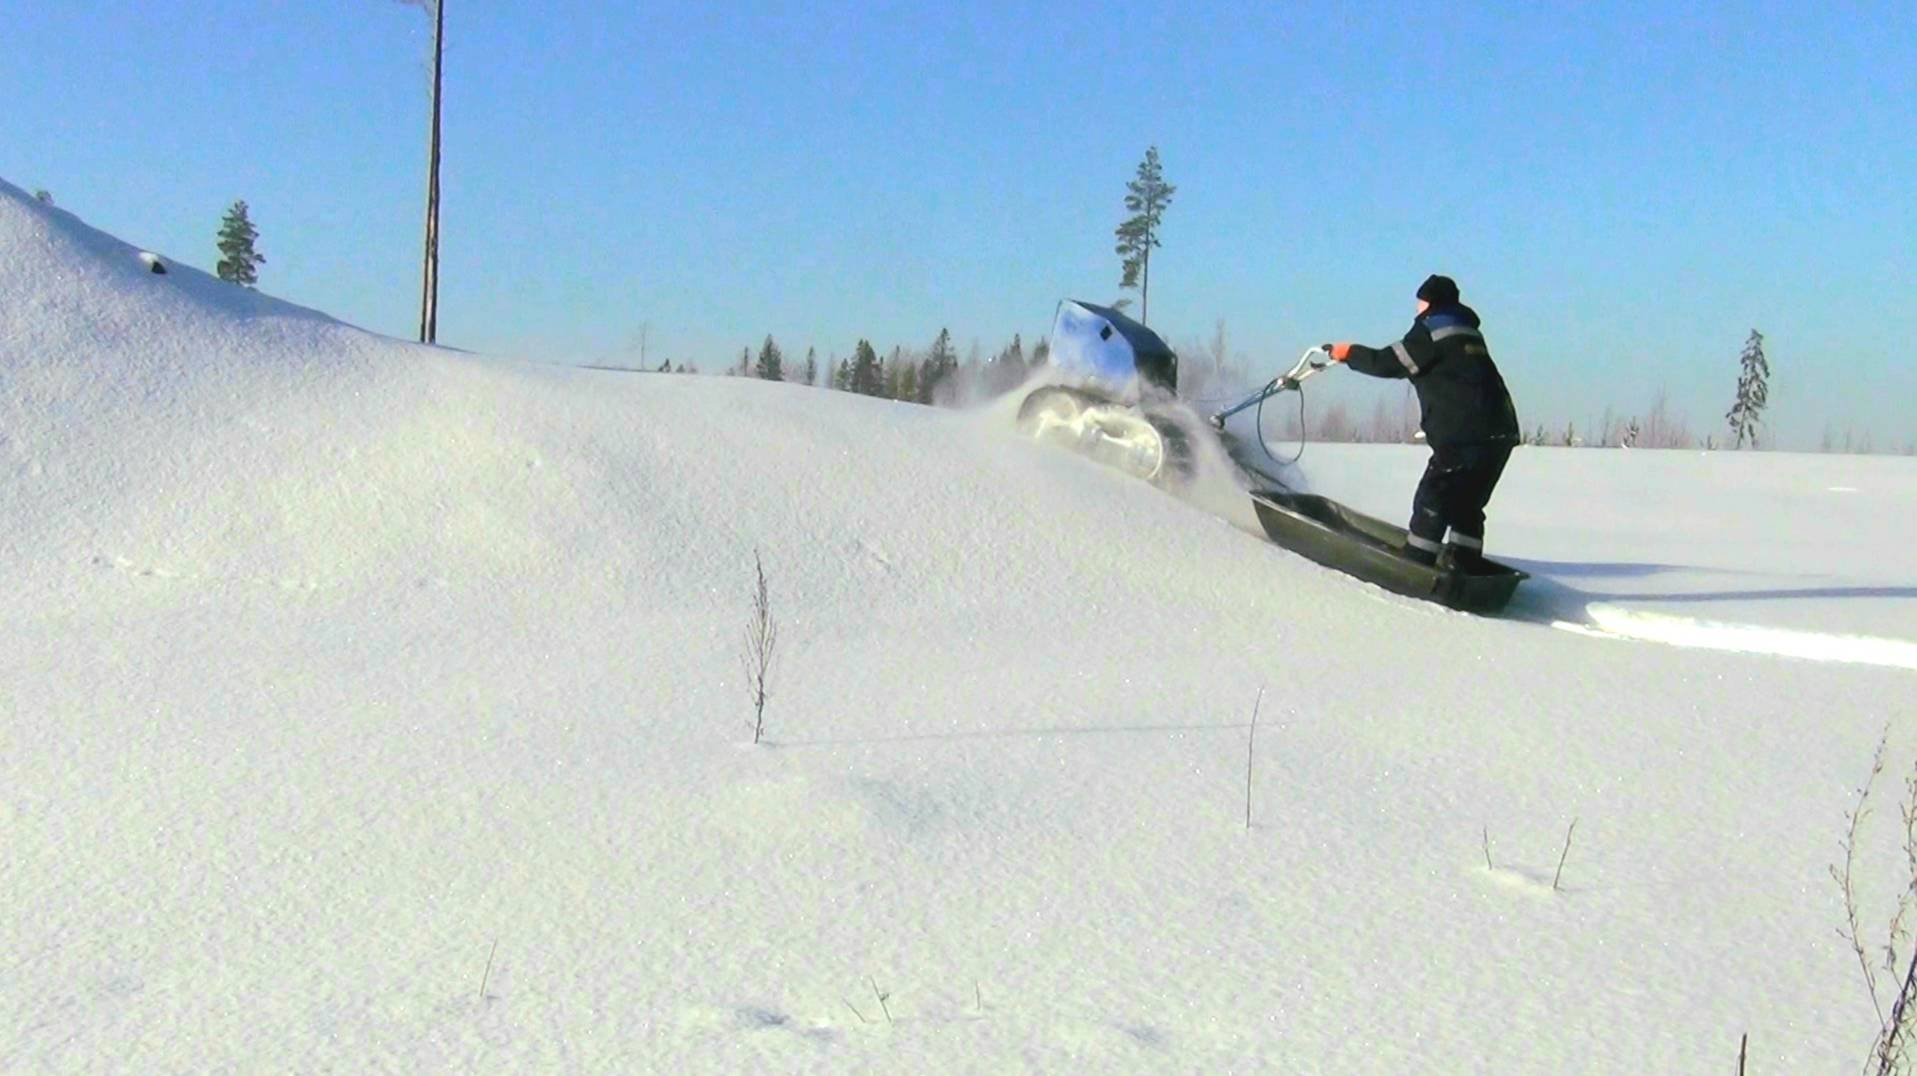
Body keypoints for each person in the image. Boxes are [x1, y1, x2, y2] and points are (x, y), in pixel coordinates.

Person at [1325, 274, 1519, 568]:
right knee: (1467, 504)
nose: (1417, 308)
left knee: (1434, 498)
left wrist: (1348, 353)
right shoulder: (1467, 331)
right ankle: (1464, 562)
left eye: (1420, 301)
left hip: (1463, 435)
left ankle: (1416, 563)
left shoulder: (1432, 330)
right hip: (1499, 433)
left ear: (1430, 302)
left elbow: (1388, 362)